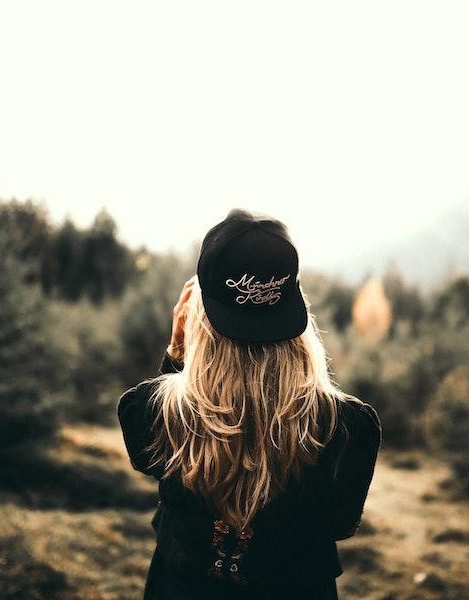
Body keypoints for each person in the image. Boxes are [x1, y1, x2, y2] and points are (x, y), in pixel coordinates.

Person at [117, 208, 382, 599]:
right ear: (296, 312)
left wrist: (177, 351)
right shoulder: (349, 428)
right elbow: (340, 524)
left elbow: (147, 458)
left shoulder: (152, 412)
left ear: (195, 314)